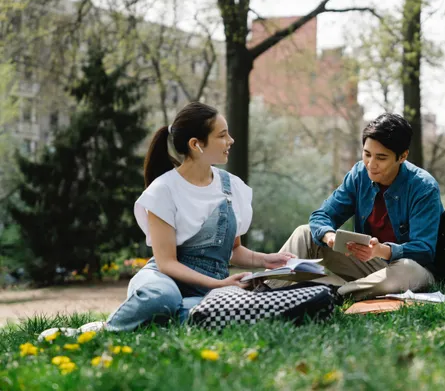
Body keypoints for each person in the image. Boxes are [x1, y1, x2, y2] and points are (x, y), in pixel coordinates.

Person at [39, 102, 295, 337]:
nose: (231, 140)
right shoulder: (163, 191)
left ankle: (157, 322)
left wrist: (266, 260)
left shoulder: (233, 188)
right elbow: (167, 264)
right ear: (197, 144)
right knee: (163, 298)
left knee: (205, 313)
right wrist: (218, 284)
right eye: (222, 135)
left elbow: (234, 250)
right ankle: (101, 331)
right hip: (164, 280)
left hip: (207, 289)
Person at [269, 113, 443, 301]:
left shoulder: (424, 187)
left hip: (411, 270)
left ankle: (333, 294)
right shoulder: (359, 174)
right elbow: (321, 216)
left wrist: (382, 250)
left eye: (381, 158)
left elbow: (424, 250)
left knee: (407, 268)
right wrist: (330, 237)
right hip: (369, 265)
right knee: (306, 233)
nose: (371, 164)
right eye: (367, 154)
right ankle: (263, 291)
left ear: (402, 156)